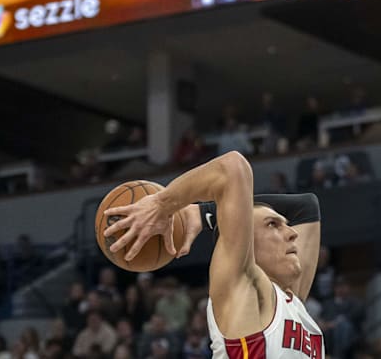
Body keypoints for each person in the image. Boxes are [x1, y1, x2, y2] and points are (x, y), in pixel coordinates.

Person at [103, 151, 325, 358]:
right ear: (247, 244)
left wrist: (203, 213)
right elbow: (233, 166)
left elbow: (306, 206)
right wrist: (162, 204)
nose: (292, 233)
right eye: (273, 225)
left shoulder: (293, 303)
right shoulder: (246, 290)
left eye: (286, 224)